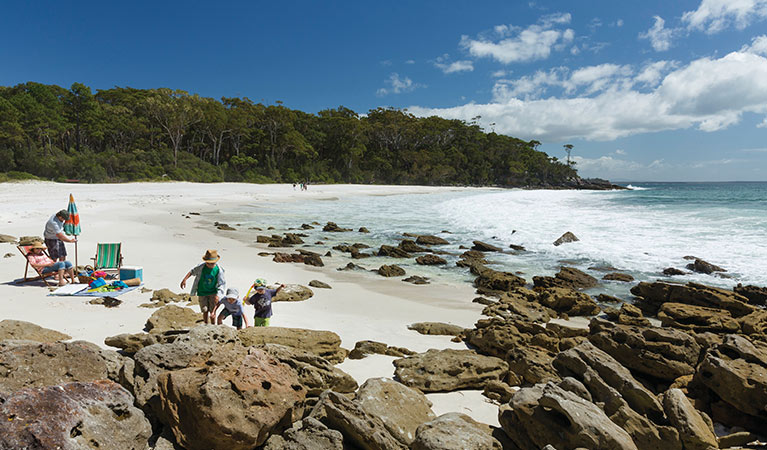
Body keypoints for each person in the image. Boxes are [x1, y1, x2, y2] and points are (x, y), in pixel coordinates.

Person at [180, 250, 226, 324]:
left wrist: (218, 295)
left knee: (212, 311)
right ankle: (206, 324)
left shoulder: (218, 270)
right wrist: (184, 279)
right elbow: (192, 271)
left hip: (213, 292)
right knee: (204, 310)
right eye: (208, 263)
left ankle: (213, 325)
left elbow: (222, 283)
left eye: (212, 263)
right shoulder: (201, 267)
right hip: (202, 292)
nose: (210, 265)